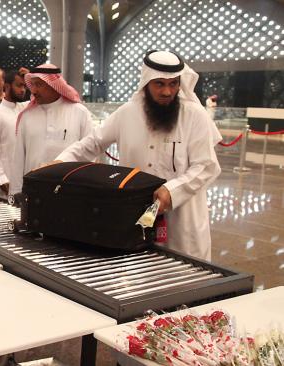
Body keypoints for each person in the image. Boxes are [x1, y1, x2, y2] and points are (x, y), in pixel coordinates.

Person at [54, 50, 222, 261]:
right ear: (146, 82)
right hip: (133, 218)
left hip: (182, 222)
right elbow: (93, 143)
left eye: (173, 84)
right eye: (159, 84)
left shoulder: (195, 116)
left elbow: (206, 166)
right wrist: (58, 164)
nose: (167, 91)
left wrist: (171, 192)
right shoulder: (127, 113)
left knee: (183, 280)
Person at [8, 64, 93, 195]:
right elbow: (18, 160)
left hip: (71, 192)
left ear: (53, 84)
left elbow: (90, 156)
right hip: (33, 192)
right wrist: (15, 194)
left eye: (39, 85)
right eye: (33, 84)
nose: (34, 90)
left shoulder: (80, 113)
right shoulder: (26, 116)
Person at [0, 70, 28, 196]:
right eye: (19, 85)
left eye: (24, 86)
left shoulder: (24, 108)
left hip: (23, 179)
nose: (23, 90)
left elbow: (37, 98)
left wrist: (29, 75)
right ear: (8, 86)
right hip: (5, 182)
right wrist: (2, 179)